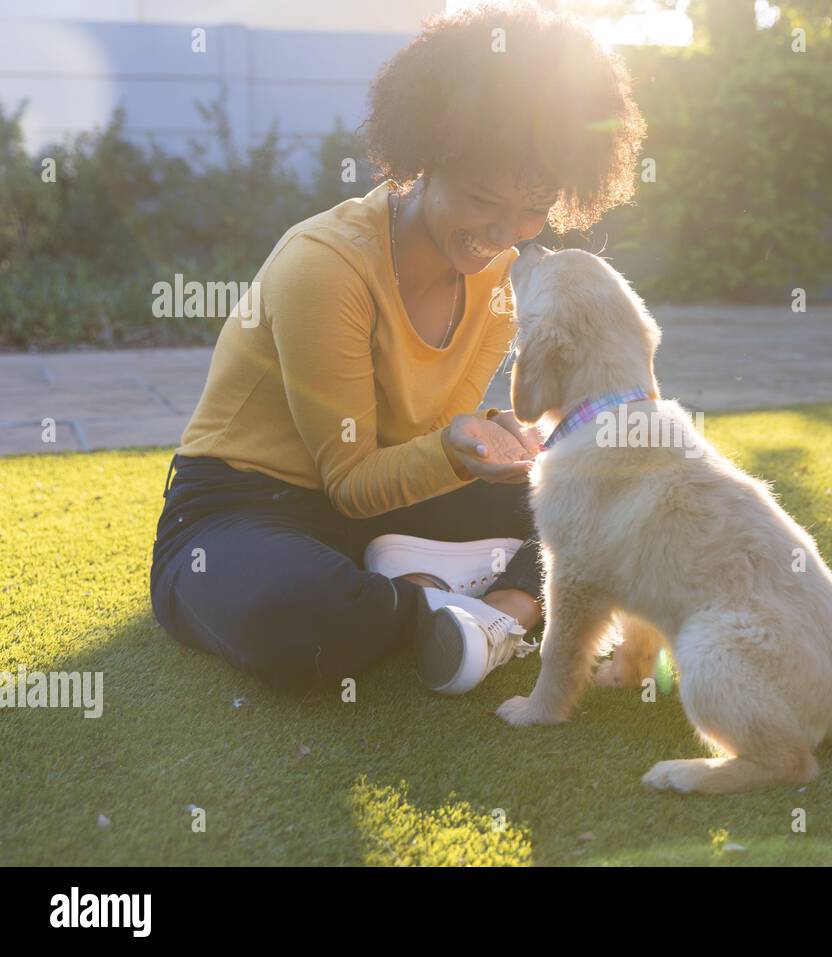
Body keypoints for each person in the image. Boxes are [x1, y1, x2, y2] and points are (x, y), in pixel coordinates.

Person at [149, 2, 646, 694]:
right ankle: (446, 605)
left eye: (533, 211)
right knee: (298, 615)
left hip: (386, 510)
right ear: (425, 158)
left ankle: (489, 613)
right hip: (244, 510)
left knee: (600, 495)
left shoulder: (500, 277)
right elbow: (350, 481)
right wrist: (452, 448)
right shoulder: (326, 265)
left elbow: (425, 434)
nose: (502, 235)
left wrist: (494, 440)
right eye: (482, 200)